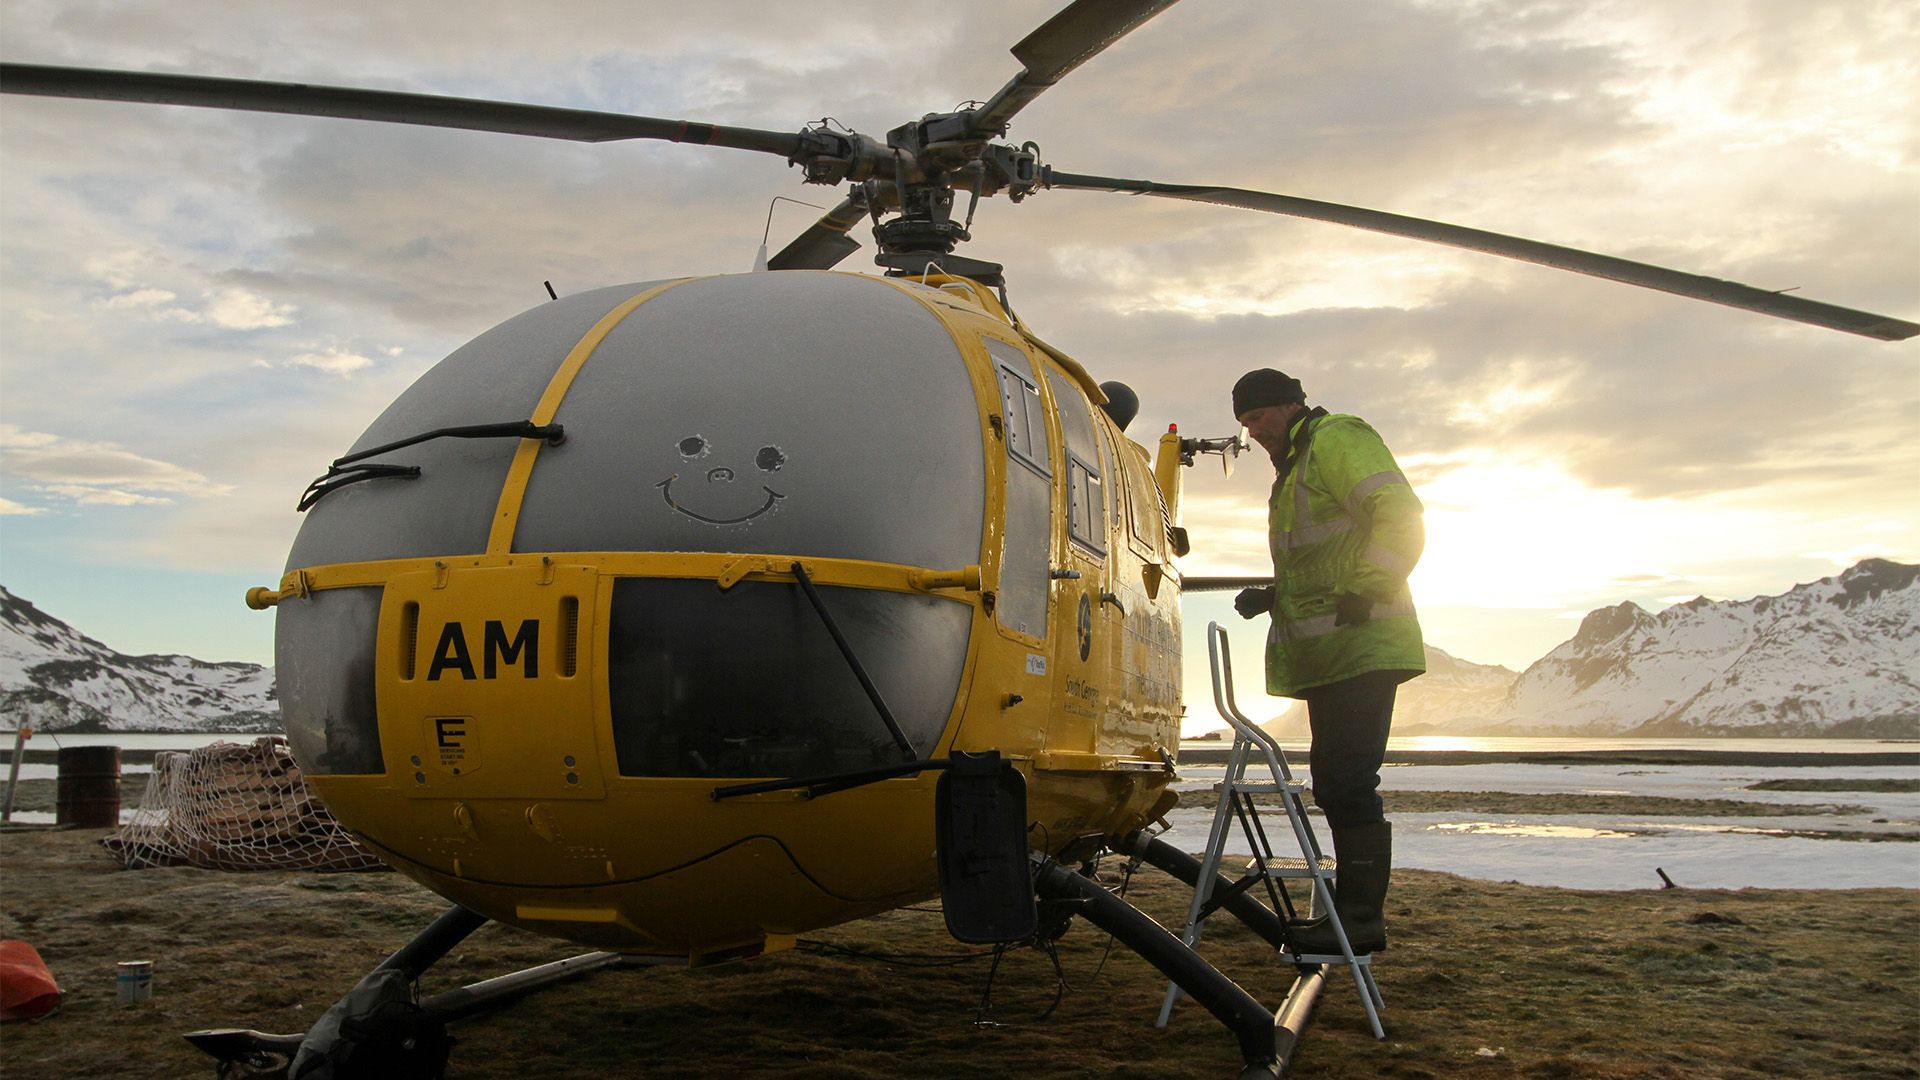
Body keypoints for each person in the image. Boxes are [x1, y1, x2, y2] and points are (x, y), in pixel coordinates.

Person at [1230, 367, 1425, 955]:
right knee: (1336, 784)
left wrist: (1370, 587)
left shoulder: (1336, 438)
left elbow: (1400, 513)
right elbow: (1322, 563)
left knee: (1347, 781)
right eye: (1243, 424)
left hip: (1364, 647)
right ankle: (1350, 915)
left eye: (1257, 417)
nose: (1252, 432)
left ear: (1289, 406)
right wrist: (1276, 595)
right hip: (1336, 655)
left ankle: (1361, 919)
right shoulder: (1297, 466)